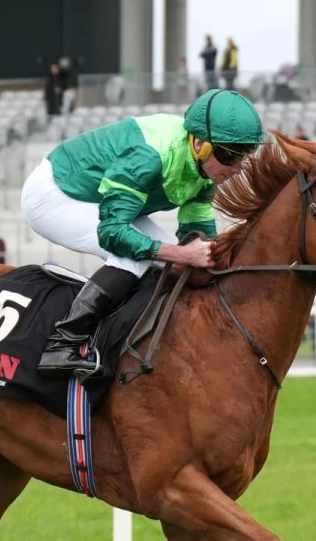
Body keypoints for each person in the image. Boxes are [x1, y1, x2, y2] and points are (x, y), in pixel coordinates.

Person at [20, 88, 265, 378]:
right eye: (229, 156)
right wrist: (180, 253)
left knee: (170, 261)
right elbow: (112, 232)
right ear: (199, 144)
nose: (236, 168)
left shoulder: (205, 174)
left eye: (244, 157)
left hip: (99, 199)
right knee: (135, 257)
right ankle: (61, 345)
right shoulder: (150, 156)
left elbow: (198, 237)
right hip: (55, 194)